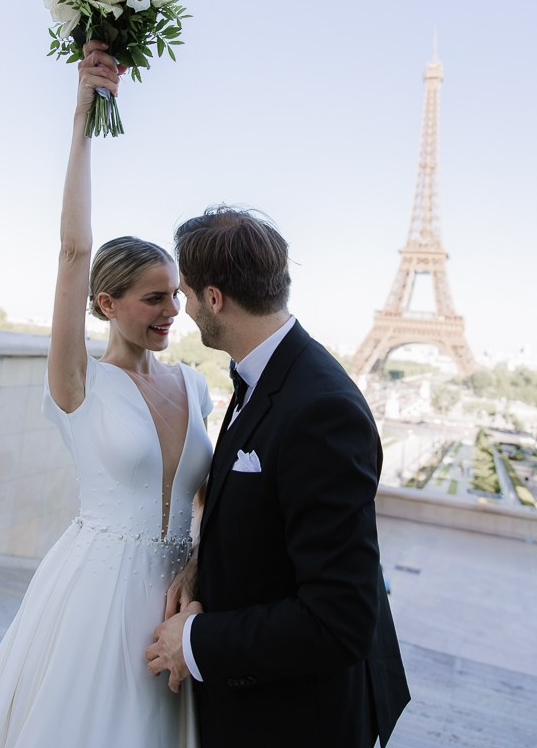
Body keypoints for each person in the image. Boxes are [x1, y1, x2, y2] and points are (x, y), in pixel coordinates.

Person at [0, 41, 213, 748]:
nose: (170, 312)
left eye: (175, 296)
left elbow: (205, 498)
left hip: (172, 608)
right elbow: (71, 248)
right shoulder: (78, 384)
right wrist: (81, 119)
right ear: (105, 302)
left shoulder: (195, 387)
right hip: (93, 597)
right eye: (153, 299)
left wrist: (195, 568)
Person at [146, 208, 410, 748]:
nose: (184, 308)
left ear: (214, 299)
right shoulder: (266, 374)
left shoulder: (320, 409)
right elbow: (267, 524)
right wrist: (201, 568)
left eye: (188, 294)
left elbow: (340, 618)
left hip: (294, 721)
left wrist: (195, 642)